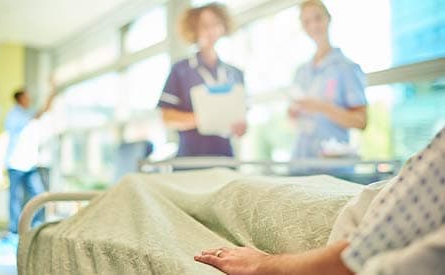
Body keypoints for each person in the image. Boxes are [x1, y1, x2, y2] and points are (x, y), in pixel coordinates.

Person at [194, 127, 445, 275]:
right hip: (349, 196)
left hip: (334, 212)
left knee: (239, 189)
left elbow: (354, 257)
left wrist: (264, 265)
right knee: (238, 186)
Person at [157, 3, 246, 157]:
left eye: (216, 24)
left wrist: (241, 127)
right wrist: (203, 119)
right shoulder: (181, 70)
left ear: (223, 27)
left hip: (225, 158)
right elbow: (167, 118)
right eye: (204, 26)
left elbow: (242, 119)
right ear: (194, 30)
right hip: (191, 157)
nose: (211, 31)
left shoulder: (235, 73)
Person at [289, 0, 367, 159]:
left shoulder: (346, 68)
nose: (313, 26)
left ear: (328, 18)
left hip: (332, 165)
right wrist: (292, 114)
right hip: (300, 161)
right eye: (307, 22)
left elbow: (361, 122)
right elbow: (293, 121)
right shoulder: (301, 72)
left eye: (318, 18)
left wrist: (321, 107)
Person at [4, 85, 56, 242]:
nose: (30, 99)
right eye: (27, 97)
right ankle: (14, 231)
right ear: (20, 98)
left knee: (38, 195)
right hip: (15, 164)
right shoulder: (14, 115)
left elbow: (43, 111)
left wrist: (52, 92)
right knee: (15, 198)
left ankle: (36, 226)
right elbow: (39, 113)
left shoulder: (26, 113)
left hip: (30, 164)